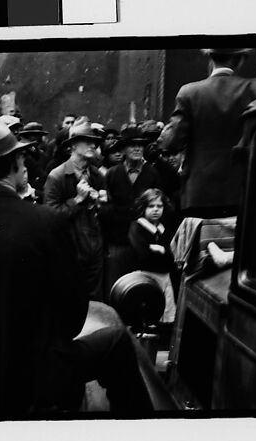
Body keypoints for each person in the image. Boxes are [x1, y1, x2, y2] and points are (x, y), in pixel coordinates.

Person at [0, 113, 152, 416]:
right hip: (36, 375)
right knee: (117, 342)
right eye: (20, 157)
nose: (25, 163)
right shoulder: (44, 221)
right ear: (13, 165)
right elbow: (74, 315)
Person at [158, 48, 256, 218]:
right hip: (244, 191)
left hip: (199, 194)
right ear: (240, 59)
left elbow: (172, 143)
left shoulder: (189, 93)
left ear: (210, 58)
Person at [44, 117, 107, 302]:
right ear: (72, 145)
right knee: (70, 302)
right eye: (86, 141)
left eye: (94, 142)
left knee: (95, 303)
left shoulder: (97, 175)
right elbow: (50, 218)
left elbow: (104, 212)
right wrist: (77, 200)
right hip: (69, 252)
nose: (92, 145)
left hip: (94, 250)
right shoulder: (57, 177)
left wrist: (100, 204)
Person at [102, 125, 164, 298]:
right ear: (123, 149)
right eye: (132, 145)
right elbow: (104, 207)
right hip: (118, 242)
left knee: (143, 288)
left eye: (141, 145)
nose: (137, 148)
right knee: (116, 288)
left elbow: (161, 205)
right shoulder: (112, 174)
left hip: (144, 243)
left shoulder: (152, 174)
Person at [127, 189, 177, 323]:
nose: (156, 210)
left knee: (165, 315)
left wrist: (161, 250)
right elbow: (143, 254)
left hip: (165, 278)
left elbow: (174, 256)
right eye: (151, 206)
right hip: (145, 277)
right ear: (143, 208)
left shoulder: (165, 230)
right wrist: (162, 253)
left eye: (159, 206)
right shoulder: (137, 227)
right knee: (147, 312)